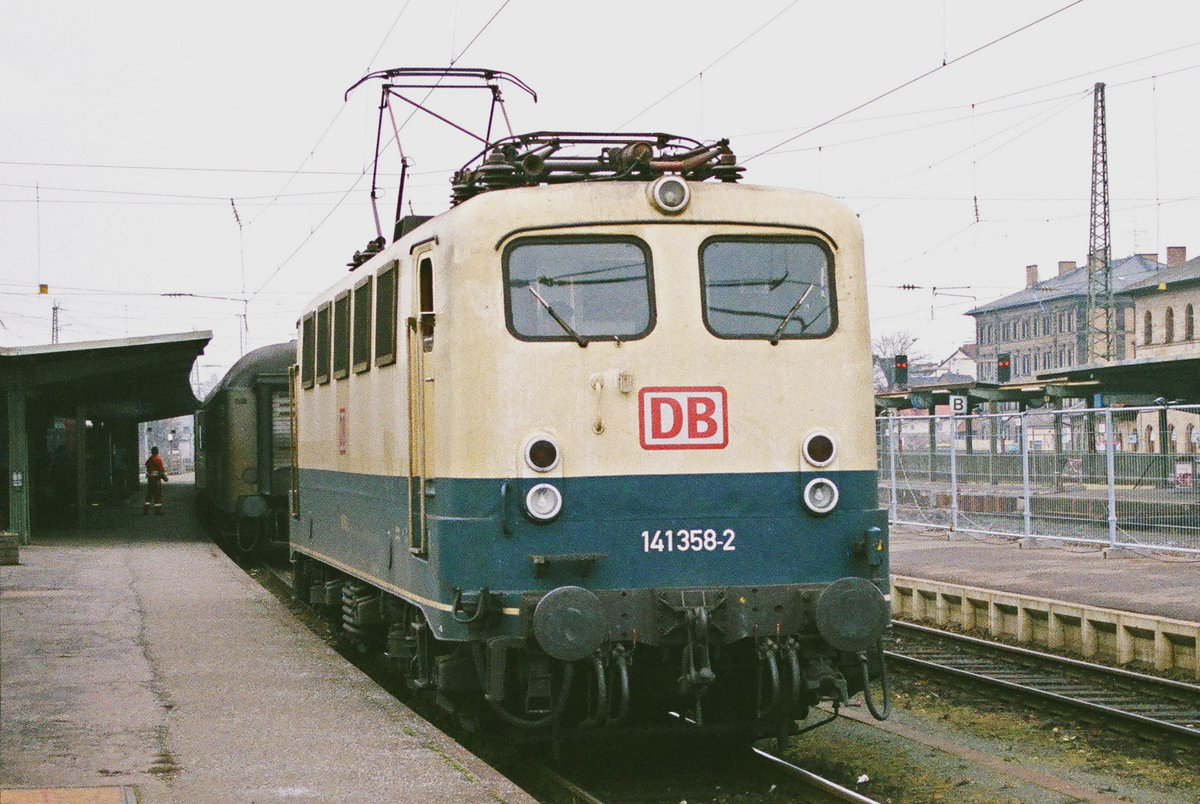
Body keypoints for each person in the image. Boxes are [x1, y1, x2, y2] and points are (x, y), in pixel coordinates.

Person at [143, 446, 168, 515]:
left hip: (150, 480)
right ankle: (158, 511)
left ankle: (146, 510)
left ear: (151, 452)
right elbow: (161, 471)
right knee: (157, 495)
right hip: (156, 481)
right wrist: (165, 478)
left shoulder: (149, 460)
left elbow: (148, 468)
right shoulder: (158, 459)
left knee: (149, 495)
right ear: (157, 452)